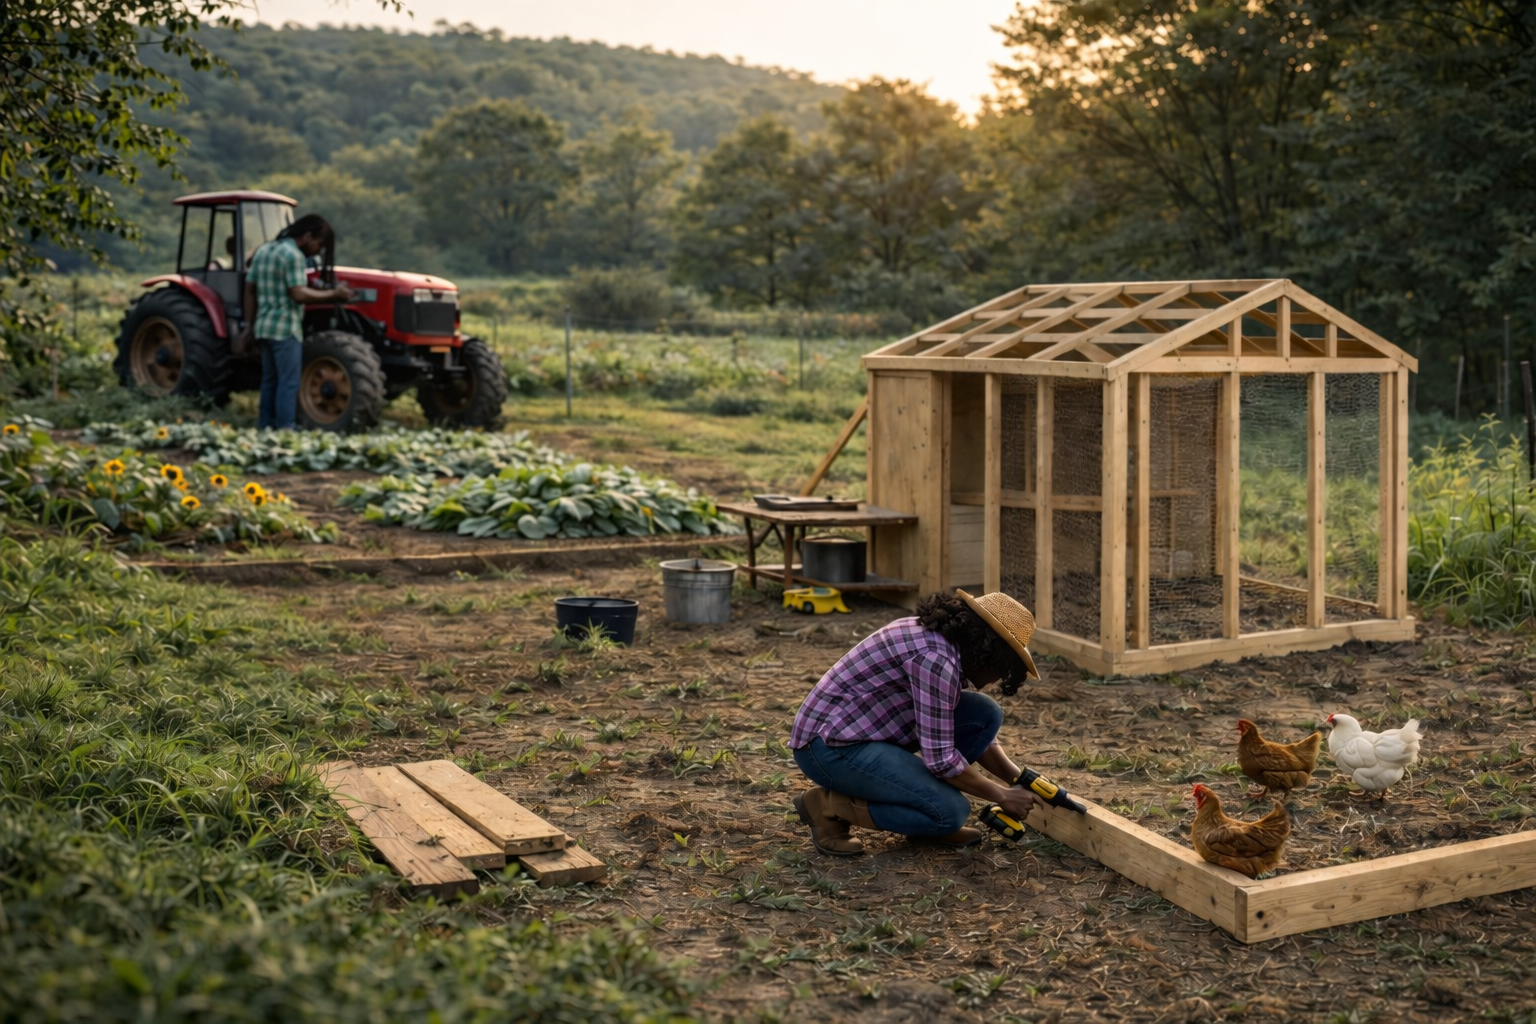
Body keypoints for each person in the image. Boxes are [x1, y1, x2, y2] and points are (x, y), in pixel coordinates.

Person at [788, 588, 1045, 856]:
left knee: (984, 713)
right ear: (989, 651)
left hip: (863, 731)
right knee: (951, 812)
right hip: (829, 749)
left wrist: (1018, 779)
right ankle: (828, 807)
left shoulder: (940, 642)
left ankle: (925, 807)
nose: (997, 678)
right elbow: (941, 760)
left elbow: (967, 734)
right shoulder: (935, 660)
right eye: (1003, 668)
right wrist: (1002, 795)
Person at [240, 214, 352, 430]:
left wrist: (248, 325)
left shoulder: (263, 251)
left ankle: (265, 427)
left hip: (263, 327)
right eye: (319, 244)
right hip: (285, 328)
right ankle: (285, 428)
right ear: (307, 237)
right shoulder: (293, 256)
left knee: (269, 381)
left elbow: (250, 290)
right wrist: (334, 294)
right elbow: (298, 294)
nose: (318, 251)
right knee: (289, 382)